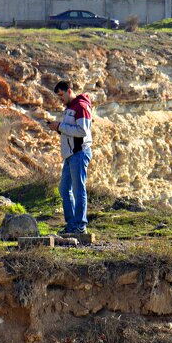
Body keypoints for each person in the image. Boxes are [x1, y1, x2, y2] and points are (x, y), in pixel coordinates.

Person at [50, 79, 93, 235]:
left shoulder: (81, 107)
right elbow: (71, 130)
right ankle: (72, 224)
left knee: (78, 189)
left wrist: (60, 127)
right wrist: (58, 128)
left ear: (69, 91)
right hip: (70, 155)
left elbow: (82, 131)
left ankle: (80, 226)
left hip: (79, 153)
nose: (60, 99)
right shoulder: (70, 107)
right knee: (64, 189)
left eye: (61, 95)